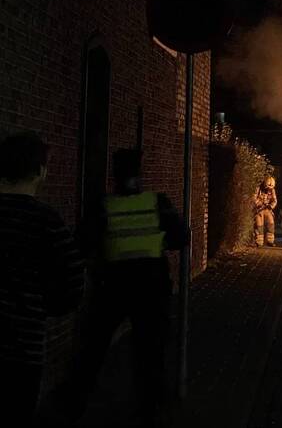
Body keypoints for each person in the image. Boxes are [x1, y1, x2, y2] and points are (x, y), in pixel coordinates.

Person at [75, 148, 187, 425]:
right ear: (140, 174)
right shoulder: (156, 203)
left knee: (92, 349)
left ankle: (74, 405)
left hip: (112, 287)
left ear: (114, 175)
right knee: (151, 353)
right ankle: (150, 411)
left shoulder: (104, 206)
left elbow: (82, 243)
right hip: (152, 287)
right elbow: (181, 236)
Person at [0, 132, 84, 425]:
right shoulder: (46, 221)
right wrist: (44, 307)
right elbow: (73, 284)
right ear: (39, 171)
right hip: (22, 351)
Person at [253, 175, 277, 247]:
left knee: (271, 223)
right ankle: (259, 242)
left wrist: (271, 206)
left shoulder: (272, 190)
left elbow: (274, 200)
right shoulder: (258, 189)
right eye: (267, 187)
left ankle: (270, 241)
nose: (269, 189)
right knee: (259, 225)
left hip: (267, 209)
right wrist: (259, 203)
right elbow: (253, 199)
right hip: (259, 210)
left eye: (271, 187)